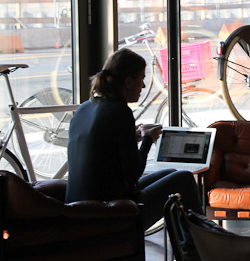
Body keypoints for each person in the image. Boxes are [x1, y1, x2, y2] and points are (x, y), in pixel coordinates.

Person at [66, 47, 203, 229]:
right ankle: (203, 239)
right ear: (128, 81)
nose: (143, 86)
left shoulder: (84, 108)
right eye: (142, 79)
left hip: (80, 208)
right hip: (111, 211)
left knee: (171, 173)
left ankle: (188, 241)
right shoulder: (120, 111)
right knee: (185, 179)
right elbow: (133, 173)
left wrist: (131, 137)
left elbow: (105, 153)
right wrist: (147, 139)